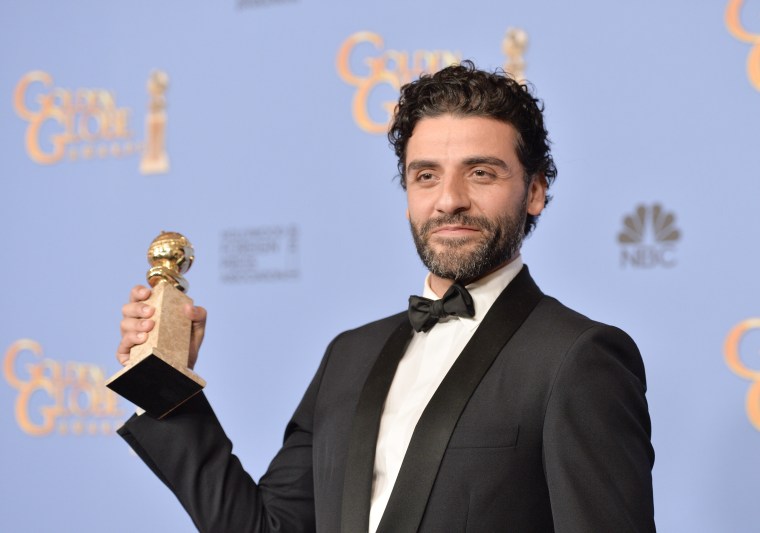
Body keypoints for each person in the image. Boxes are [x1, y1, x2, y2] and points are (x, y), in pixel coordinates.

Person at [116, 61, 655, 532]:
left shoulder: (577, 357)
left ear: (534, 191)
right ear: (407, 195)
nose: (449, 200)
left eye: (482, 173)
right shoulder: (349, 356)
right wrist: (167, 386)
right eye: (426, 176)